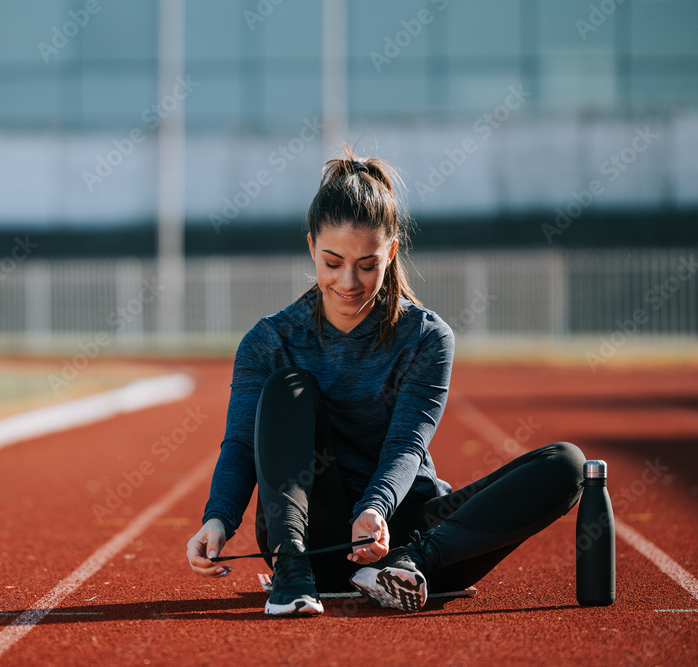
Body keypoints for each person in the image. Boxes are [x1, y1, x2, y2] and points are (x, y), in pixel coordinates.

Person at [185, 146, 585, 616]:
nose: (349, 282)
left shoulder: (427, 338)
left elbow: (406, 446)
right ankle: (292, 572)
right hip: (313, 541)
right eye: (332, 262)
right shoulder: (268, 340)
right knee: (286, 387)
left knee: (568, 464)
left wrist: (375, 512)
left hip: (401, 535)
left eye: (368, 264)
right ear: (311, 247)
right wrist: (218, 518)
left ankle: (412, 568)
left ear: (391, 252)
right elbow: (238, 445)